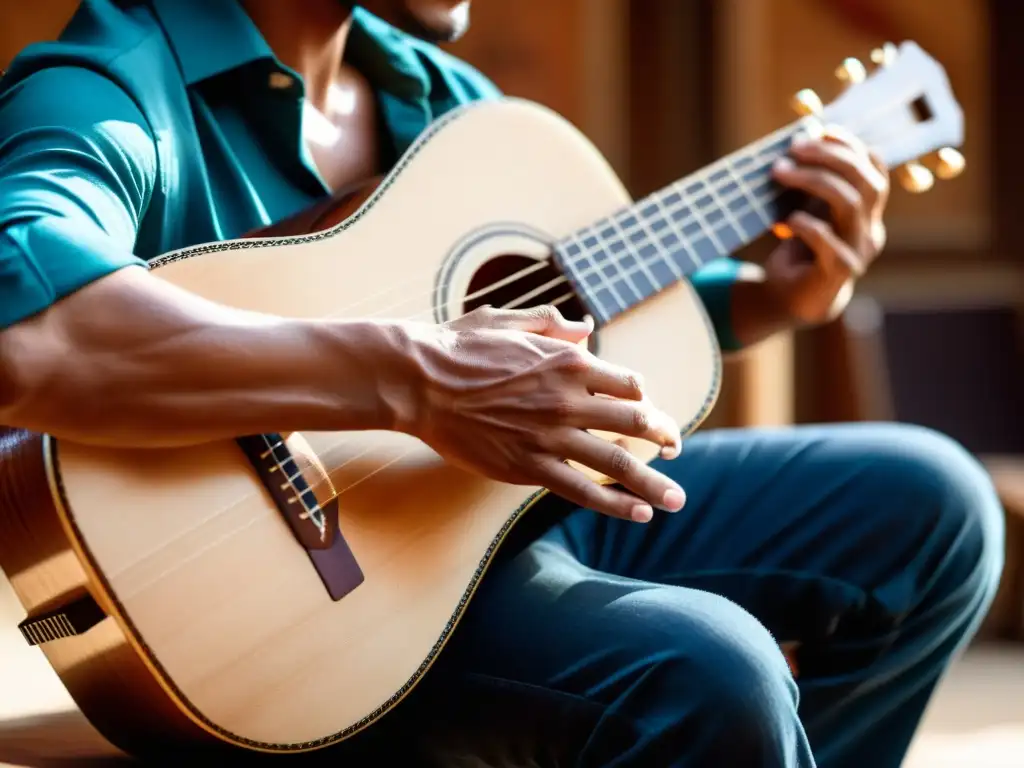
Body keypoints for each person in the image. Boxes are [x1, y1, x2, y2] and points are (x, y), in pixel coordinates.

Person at [0, 1, 1004, 766]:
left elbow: (558, 291)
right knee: (708, 672)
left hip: (487, 514)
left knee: (933, 507)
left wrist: (775, 296)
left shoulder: (436, 98)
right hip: (320, 610)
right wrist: (410, 378)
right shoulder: (108, 88)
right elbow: (31, 337)